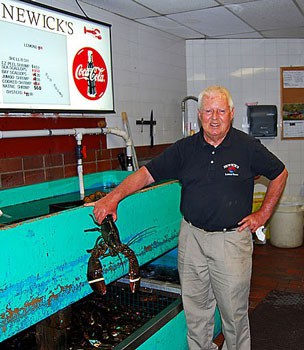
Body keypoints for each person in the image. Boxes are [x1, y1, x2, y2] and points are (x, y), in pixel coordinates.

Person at [85, 85, 288, 350]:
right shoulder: (185, 149)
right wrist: (114, 197)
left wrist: (263, 214)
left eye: (221, 111)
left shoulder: (247, 147)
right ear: (199, 115)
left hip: (231, 240)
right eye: (208, 111)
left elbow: (279, 173)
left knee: (233, 314)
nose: (214, 117)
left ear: (232, 114)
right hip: (191, 237)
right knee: (195, 310)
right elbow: (147, 173)